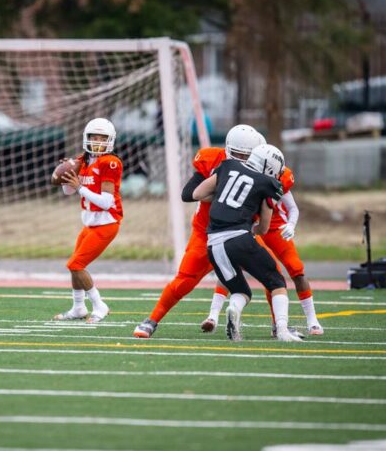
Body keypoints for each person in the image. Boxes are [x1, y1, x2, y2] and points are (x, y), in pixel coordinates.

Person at [133, 124, 264, 338]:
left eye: (246, 155)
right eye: (238, 153)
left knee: (272, 276)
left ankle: (280, 325)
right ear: (228, 149)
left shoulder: (263, 167)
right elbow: (187, 194)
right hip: (207, 234)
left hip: (239, 235)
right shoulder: (212, 160)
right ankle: (152, 320)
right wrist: (222, 192)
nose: (242, 159)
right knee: (184, 281)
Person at [192, 143, 302, 342]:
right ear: (270, 167)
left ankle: (233, 308)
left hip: (213, 243)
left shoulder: (227, 166)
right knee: (276, 281)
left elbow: (197, 194)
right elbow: (264, 228)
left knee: (241, 290)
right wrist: (252, 228)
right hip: (239, 237)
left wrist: (224, 199)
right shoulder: (269, 183)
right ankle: (283, 330)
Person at [202, 164, 323, 337]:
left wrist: (291, 224)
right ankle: (213, 316)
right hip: (252, 228)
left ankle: (312, 321)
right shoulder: (249, 173)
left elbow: (292, 207)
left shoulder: (279, 176)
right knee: (243, 268)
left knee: (296, 269)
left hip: (275, 229)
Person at [53, 118, 122, 324]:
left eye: (103, 138)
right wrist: (67, 173)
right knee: (74, 265)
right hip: (90, 223)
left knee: (76, 264)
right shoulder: (82, 160)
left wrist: (80, 187)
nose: (98, 142)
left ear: (110, 141)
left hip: (106, 222)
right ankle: (78, 308)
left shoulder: (110, 162)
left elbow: (106, 202)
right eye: (94, 137)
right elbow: (67, 192)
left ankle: (99, 305)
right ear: (87, 138)